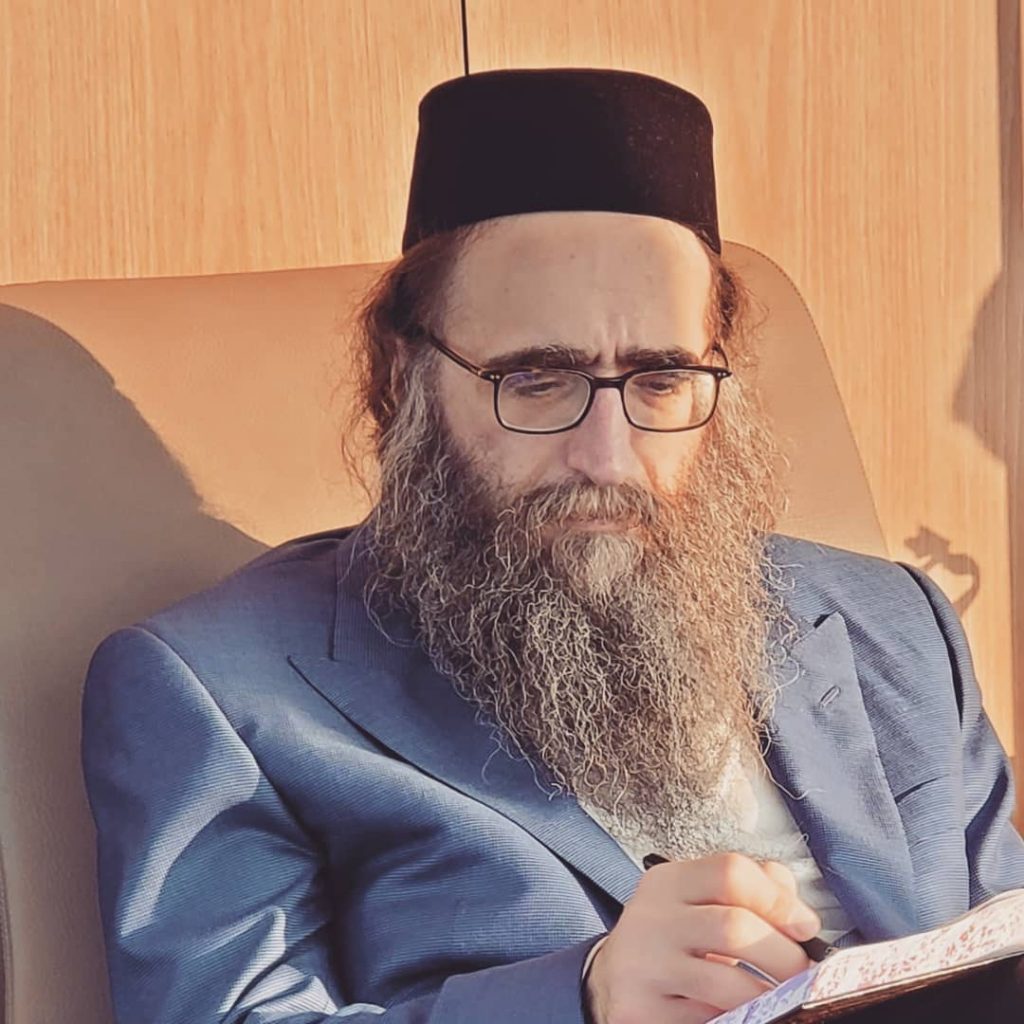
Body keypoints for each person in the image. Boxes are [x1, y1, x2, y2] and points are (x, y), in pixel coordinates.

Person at [81, 67, 1024, 1024]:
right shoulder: (218, 692)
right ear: (403, 376)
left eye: (660, 381)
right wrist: (585, 997)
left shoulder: (896, 625)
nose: (606, 457)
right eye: (536, 381)